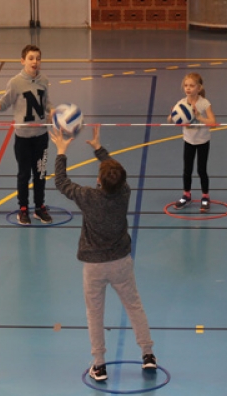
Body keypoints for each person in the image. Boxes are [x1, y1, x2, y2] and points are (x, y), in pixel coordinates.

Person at [52, 125, 157, 381]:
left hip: (94, 266)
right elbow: (115, 173)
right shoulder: (124, 192)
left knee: (95, 313)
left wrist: (61, 151)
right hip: (121, 262)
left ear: (99, 180)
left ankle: (99, 365)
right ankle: (148, 355)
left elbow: (61, 183)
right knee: (134, 306)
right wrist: (100, 150)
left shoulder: (88, 197)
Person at [0, 44, 54, 225]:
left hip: (41, 137)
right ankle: (23, 208)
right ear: (22, 61)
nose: (35, 62)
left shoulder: (44, 80)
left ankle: (39, 207)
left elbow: (46, 103)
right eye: (31, 58)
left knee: (40, 173)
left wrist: (53, 111)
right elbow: (5, 101)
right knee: (24, 174)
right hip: (23, 139)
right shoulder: (15, 82)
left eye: (38, 58)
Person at [170, 72, 217, 212]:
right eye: (186, 85)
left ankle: (205, 197)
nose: (188, 88)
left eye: (191, 85)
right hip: (188, 141)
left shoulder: (204, 103)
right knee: (187, 170)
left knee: (202, 170)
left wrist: (199, 117)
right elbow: (170, 119)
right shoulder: (181, 103)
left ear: (199, 87)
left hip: (203, 141)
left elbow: (213, 123)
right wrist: (173, 115)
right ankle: (186, 195)